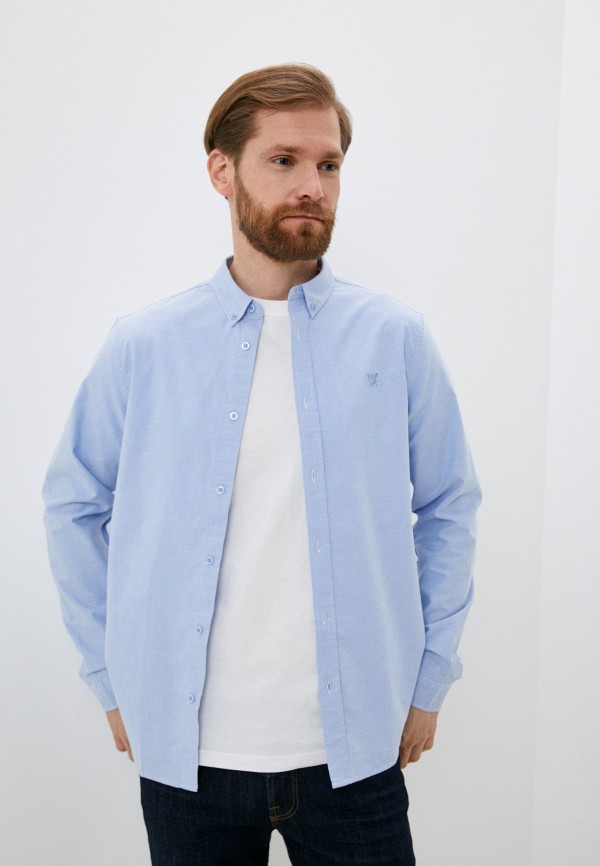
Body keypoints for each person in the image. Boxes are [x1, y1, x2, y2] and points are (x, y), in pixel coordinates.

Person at [43, 63, 481, 865]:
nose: (312, 185)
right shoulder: (146, 345)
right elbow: (73, 504)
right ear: (222, 170)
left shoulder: (394, 338)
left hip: (357, 754)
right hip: (188, 760)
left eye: (329, 164)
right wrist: (111, 677)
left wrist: (430, 679)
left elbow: (450, 504)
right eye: (284, 160)